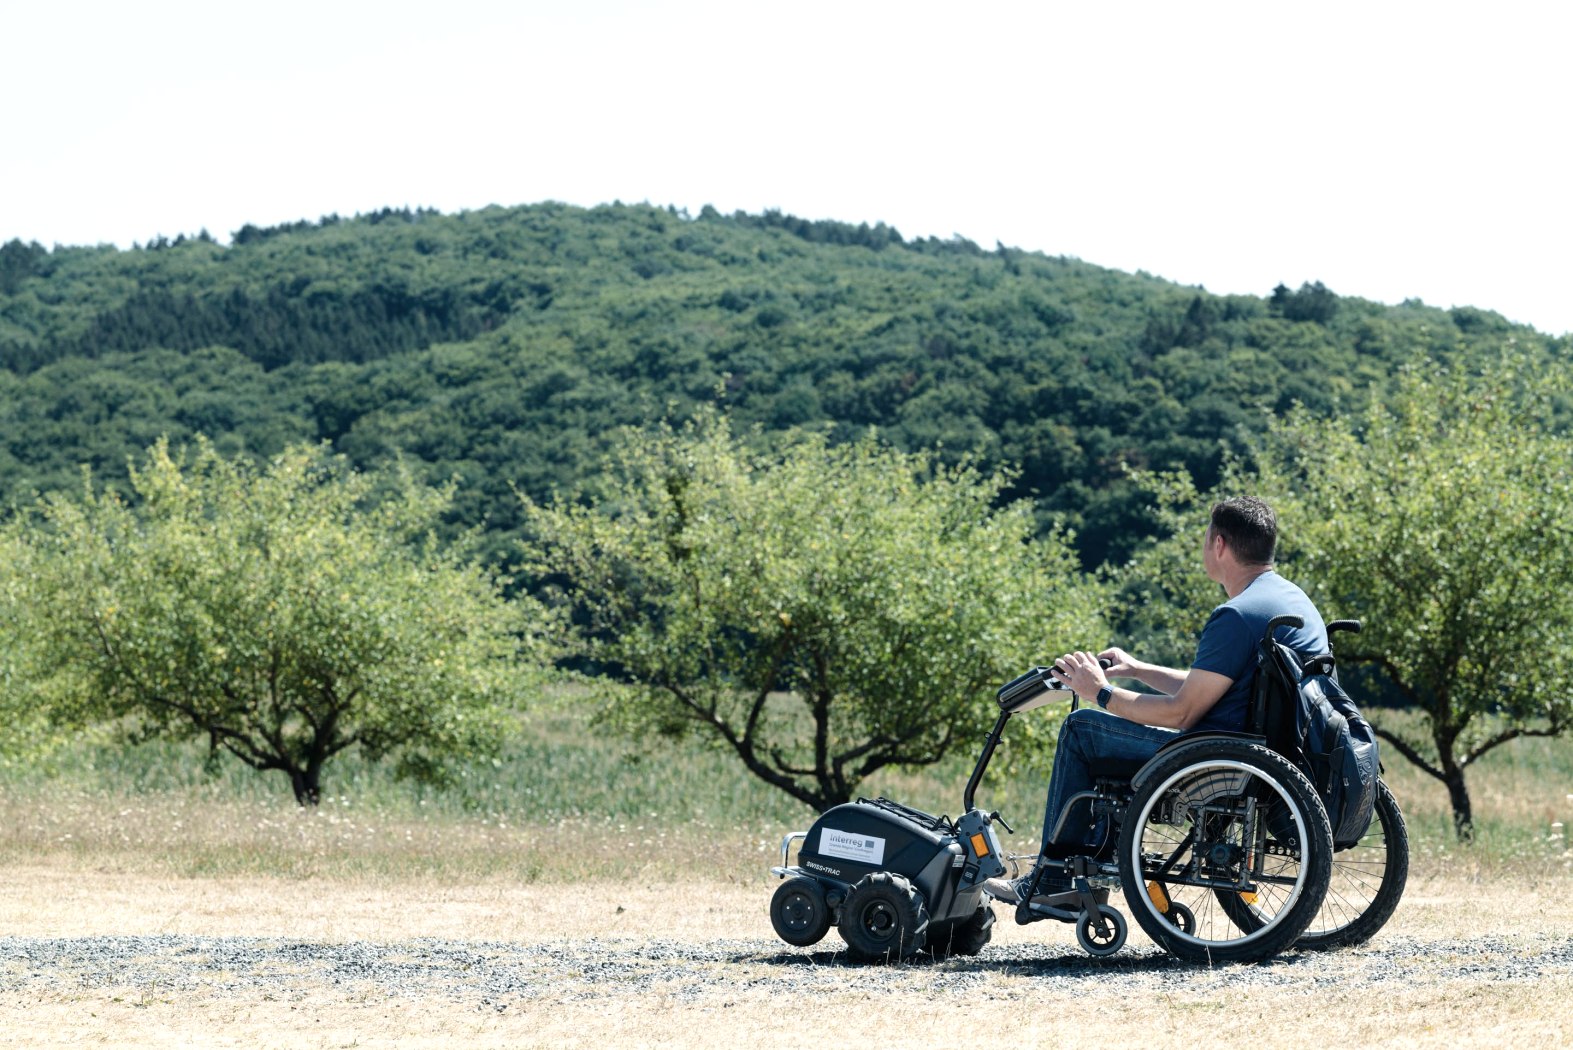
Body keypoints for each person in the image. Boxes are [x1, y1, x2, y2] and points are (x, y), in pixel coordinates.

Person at [983, 495, 1327, 917]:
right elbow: (1215, 688)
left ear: (1219, 545)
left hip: (1218, 756)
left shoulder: (1236, 615)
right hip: (1264, 748)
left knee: (1083, 730)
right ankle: (1086, 866)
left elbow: (1182, 713)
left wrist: (1100, 692)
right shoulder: (1290, 601)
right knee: (1100, 727)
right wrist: (1138, 669)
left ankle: (1055, 881)